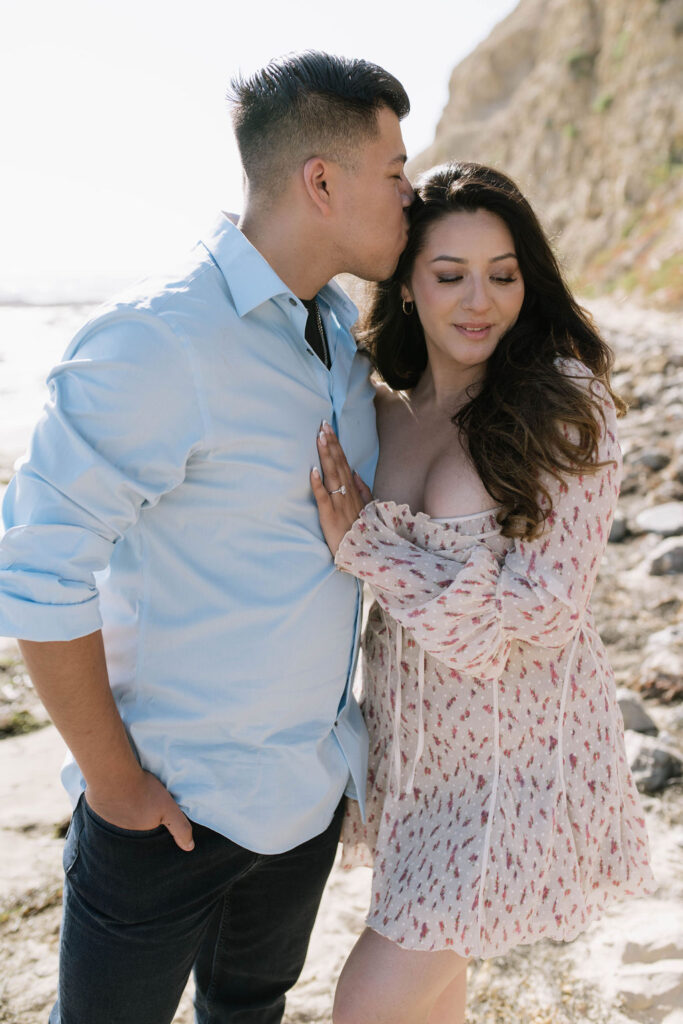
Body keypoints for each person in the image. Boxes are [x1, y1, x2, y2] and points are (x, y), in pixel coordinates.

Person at [0, 51, 414, 1023]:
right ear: (321, 180)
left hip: (305, 800)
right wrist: (115, 784)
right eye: (394, 172)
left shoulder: (334, 336)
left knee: (251, 1010)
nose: (411, 194)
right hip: (166, 816)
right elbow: (37, 565)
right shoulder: (159, 339)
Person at [311, 161, 656, 1024]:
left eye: (502, 275)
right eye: (449, 274)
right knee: (430, 1001)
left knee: (365, 1007)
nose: (479, 301)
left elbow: (534, 616)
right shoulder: (382, 408)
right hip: (411, 765)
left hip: (517, 763)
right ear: (407, 284)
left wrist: (370, 545)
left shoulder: (562, 406)